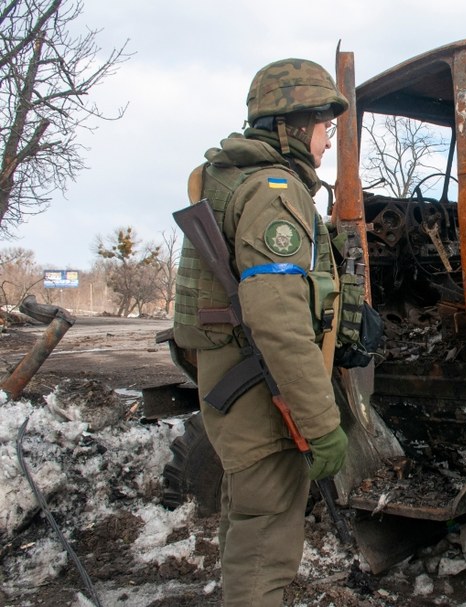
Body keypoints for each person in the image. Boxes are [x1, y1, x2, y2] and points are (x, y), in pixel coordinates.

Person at [172, 58, 349, 606]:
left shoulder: (237, 179)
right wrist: (321, 425)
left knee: (247, 527)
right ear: (292, 126)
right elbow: (277, 321)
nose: (326, 143)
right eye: (325, 127)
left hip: (240, 387)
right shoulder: (274, 190)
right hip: (261, 395)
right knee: (266, 546)